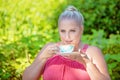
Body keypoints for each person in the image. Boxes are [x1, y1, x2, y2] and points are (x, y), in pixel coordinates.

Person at [22, 5, 111, 80]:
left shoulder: (92, 52)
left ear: (81, 29)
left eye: (72, 31)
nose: (67, 37)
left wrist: (86, 63)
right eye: (63, 31)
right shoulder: (49, 49)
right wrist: (42, 58)